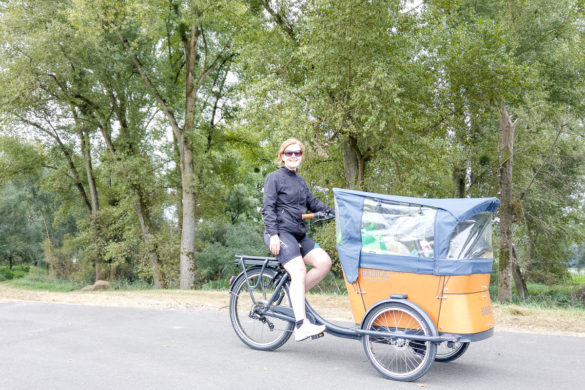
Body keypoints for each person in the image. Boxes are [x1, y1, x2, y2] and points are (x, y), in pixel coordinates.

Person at [261, 138, 334, 342]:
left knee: (324, 262)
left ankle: (296, 296)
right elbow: (267, 208)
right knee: (299, 270)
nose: (293, 156)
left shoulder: (300, 181)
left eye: (297, 153)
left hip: (298, 233)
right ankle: (301, 326)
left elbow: (313, 202)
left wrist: (333, 212)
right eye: (289, 153)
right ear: (282, 156)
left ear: (301, 156)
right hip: (280, 233)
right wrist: (273, 234)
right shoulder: (274, 178)